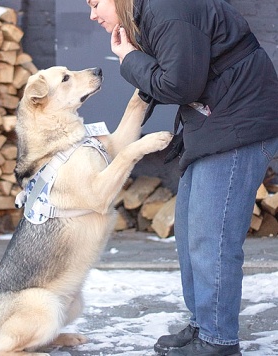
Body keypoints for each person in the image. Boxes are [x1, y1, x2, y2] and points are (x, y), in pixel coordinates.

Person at [86, 0, 278, 355]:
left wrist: (129, 58)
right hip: (216, 123)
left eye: (96, 2)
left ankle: (218, 341)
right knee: (191, 234)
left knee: (212, 241)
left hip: (238, 125)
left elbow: (179, 86)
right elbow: (167, 76)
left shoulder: (167, 8)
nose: (93, 14)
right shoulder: (151, 13)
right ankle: (203, 325)